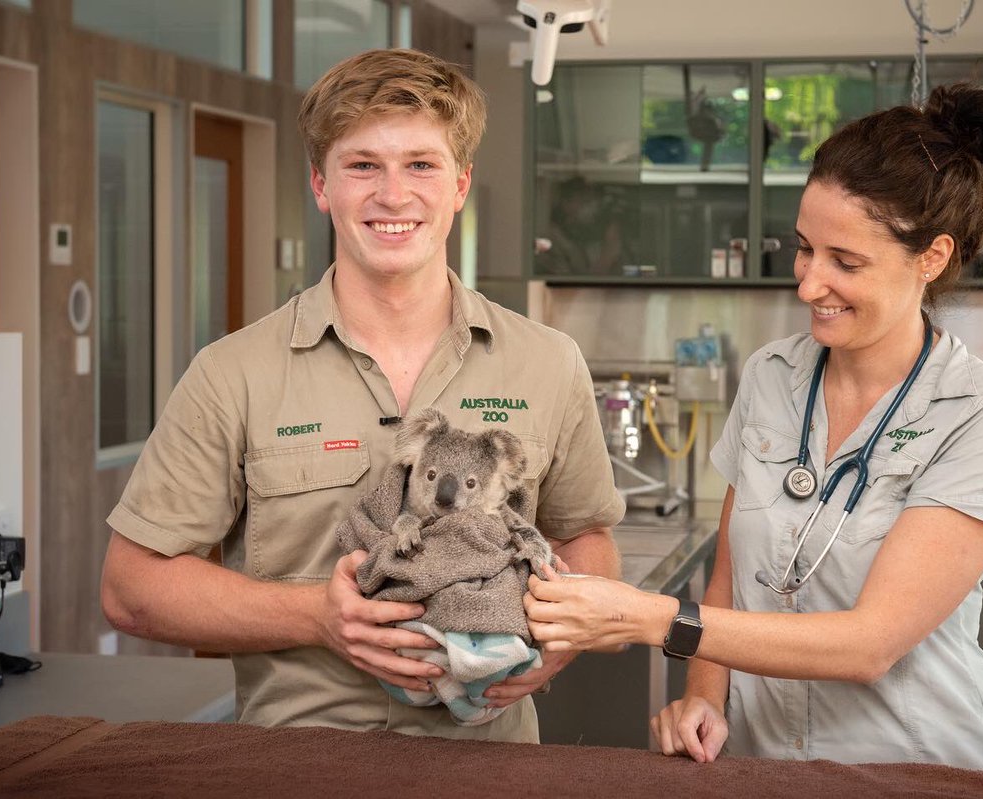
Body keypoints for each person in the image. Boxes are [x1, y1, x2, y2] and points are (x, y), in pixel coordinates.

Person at [100, 48, 625, 743]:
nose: (393, 194)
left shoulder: (548, 362)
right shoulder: (233, 373)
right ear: (321, 184)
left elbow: (585, 537)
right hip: (301, 766)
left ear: (461, 183)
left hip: (491, 768)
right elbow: (130, 587)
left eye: (421, 164)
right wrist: (315, 615)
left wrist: (553, 647)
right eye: (362, 165)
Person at [524, 83, 983, 770]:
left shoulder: (981, 415)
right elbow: (729, 577)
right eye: (804, 248)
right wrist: (705, 696)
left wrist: (650, 618)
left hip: (922, 770)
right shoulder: (772, 376)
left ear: (933, 257)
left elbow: (869, 644)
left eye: (845, 261)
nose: (807, 283)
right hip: (767, 768)